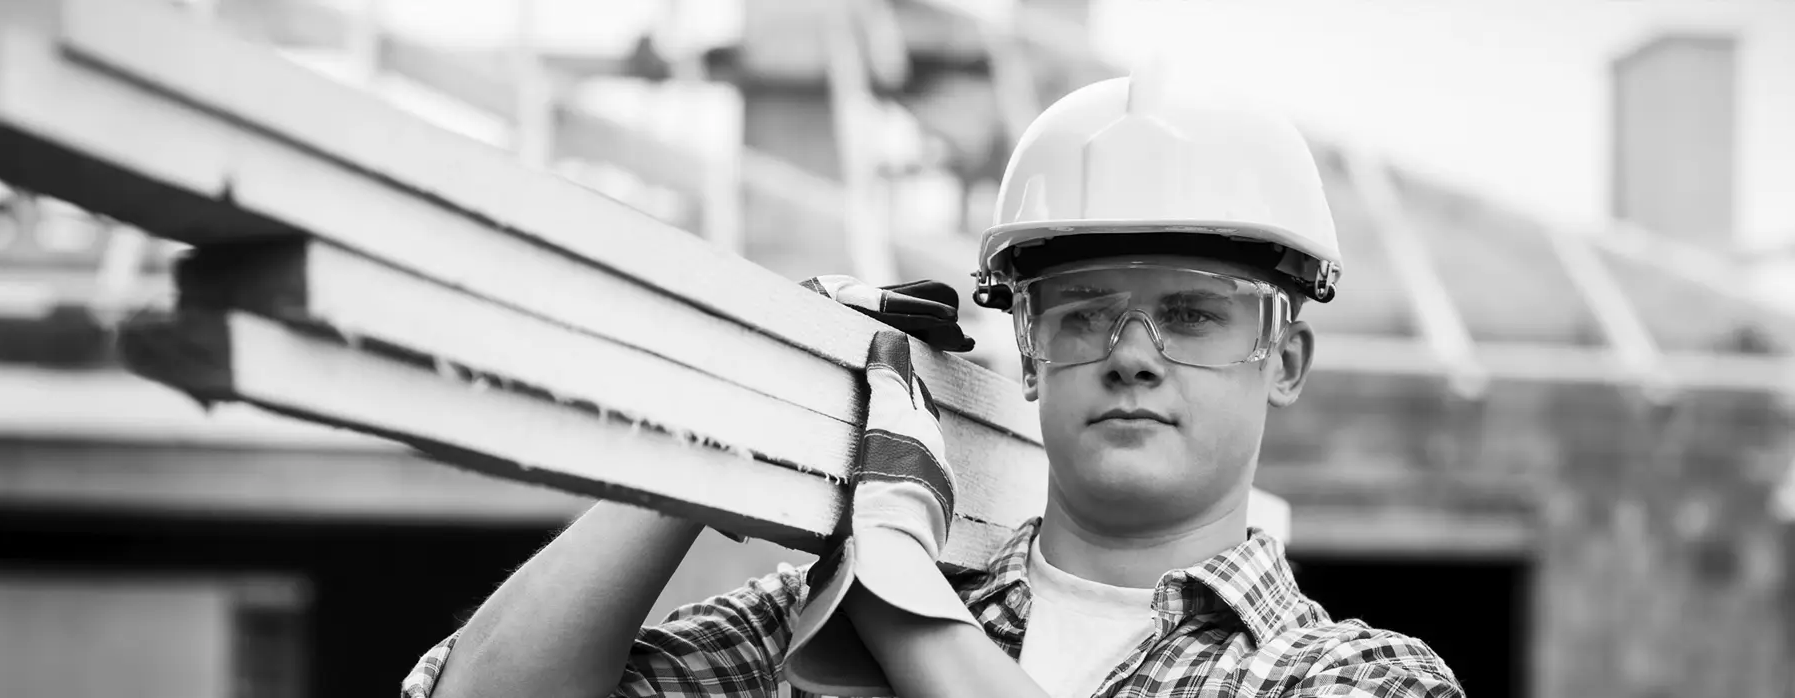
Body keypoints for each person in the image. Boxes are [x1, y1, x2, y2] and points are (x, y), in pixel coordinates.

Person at [402, 71, 1463, 698]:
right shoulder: (842, 602)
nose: (1131, 350)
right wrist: (733, 419)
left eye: (1189, 312)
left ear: (1283, 357)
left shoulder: (1351, 671)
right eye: (1083, 310)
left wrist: (896, 592)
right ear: (1029, 346)